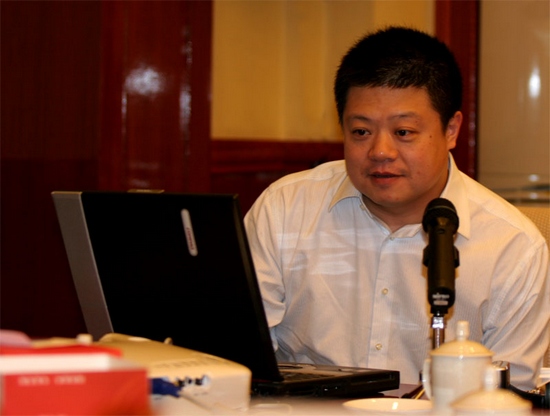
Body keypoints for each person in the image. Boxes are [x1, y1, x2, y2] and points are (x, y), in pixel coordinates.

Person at [243, 26, 549, 391]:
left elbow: (510, 397)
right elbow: (240, 356)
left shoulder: (513, 247)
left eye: (403, 132)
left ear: (451, 130)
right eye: (361, 132)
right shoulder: (284, 210)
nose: (380, 152)